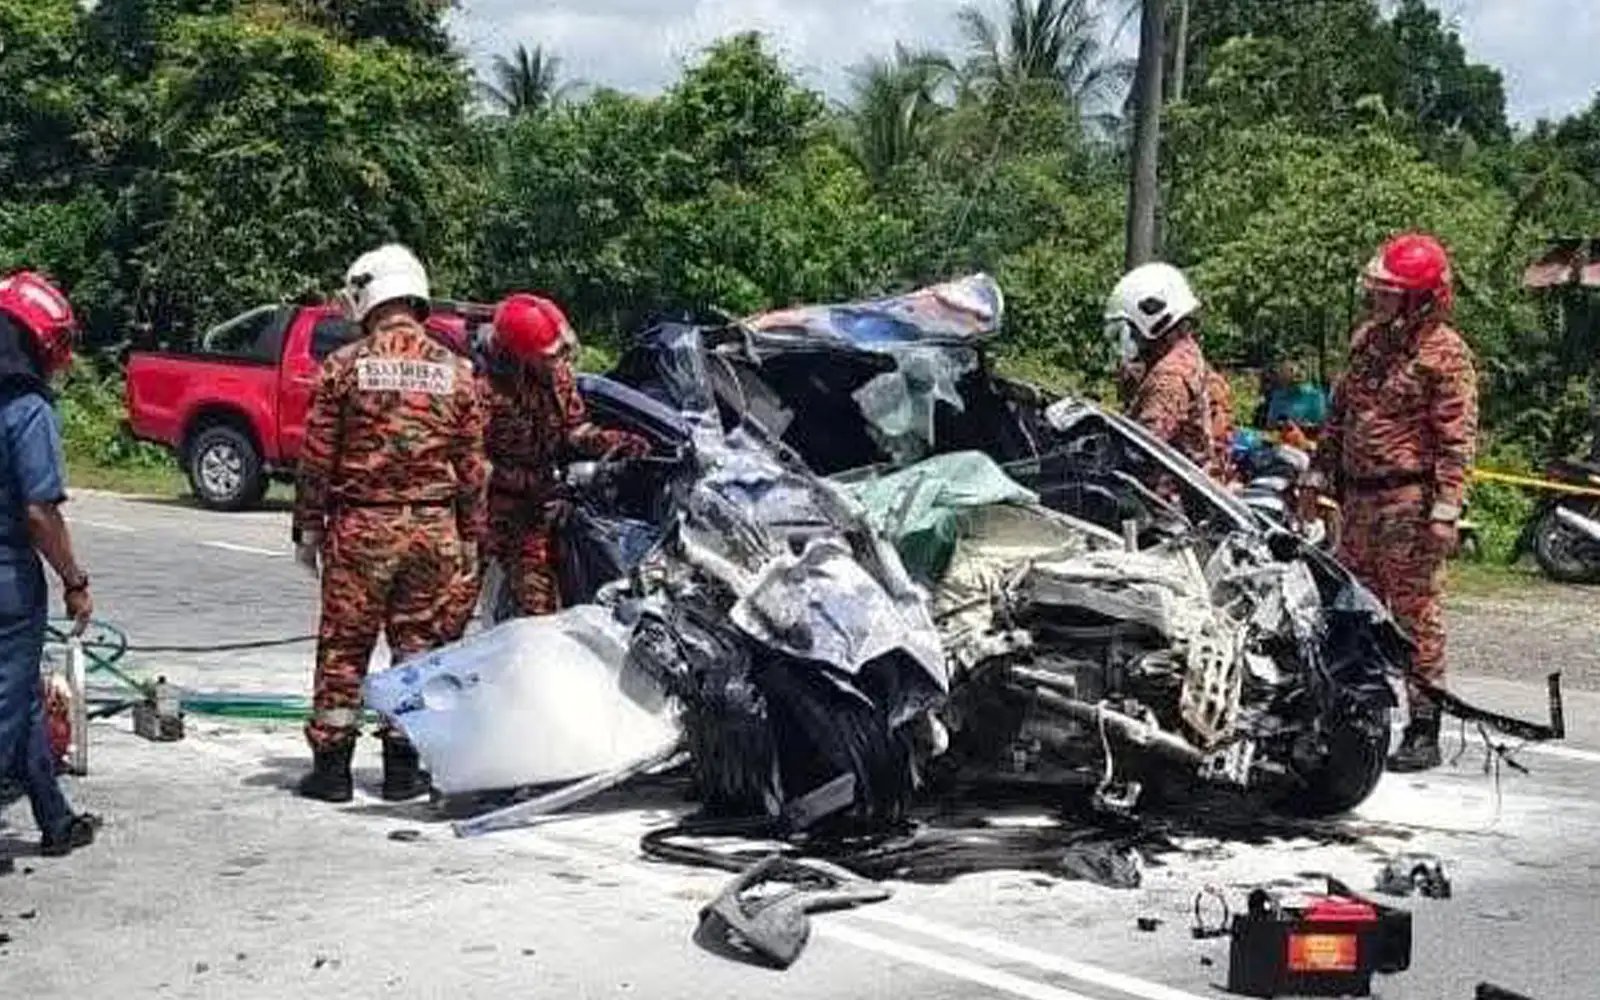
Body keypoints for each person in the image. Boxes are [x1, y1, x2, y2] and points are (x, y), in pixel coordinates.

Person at [292, 245, 488, 803]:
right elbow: (473, 466)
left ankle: (332, 771)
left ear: (369, 295)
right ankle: (404, 769)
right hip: (433, 530)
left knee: (344, 649)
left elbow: (316, 458)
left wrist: (307, 529)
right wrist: (472, 535)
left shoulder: (344, 366)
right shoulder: (458, 373)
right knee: (419, 650)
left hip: (362, 530)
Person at [1312, 233, 1477, 773]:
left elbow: (1457, 439)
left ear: (1420, 298)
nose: (1379, 299)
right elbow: (1340, 417)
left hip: (1409, 503)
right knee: (1348, 611)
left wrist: (1445, 512)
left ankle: (1423, 727)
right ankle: (1354, 715)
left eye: (1391, 292)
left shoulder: (1446, 354)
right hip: (1358, 501)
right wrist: (1317, 476)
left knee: (1414, 620)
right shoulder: (1368, 342)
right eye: (1377, 290)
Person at [0, 271, 99, 856]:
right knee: (7, 708)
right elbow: (40, 513)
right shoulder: (27, 409)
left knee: (19, 699)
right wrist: (75, 581)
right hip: (8, 579)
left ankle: (54, 819)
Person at [480, 294, 648, 619]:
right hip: (487, 513)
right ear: (519, 355)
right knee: (449, 615)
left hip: (533, 515)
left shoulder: (558, 377)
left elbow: (574, 430)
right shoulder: (481, 388)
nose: (557, 360)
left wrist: (610, 441)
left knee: (539, 611)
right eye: (548, 355)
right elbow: (468, 460)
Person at [1106, 262, 1218, 477]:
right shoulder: (1184, 351)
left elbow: (1139, 450)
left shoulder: (1169, 378)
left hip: (1164, 499)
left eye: (1132, 328)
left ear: (1154, 320)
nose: (1131, 337)